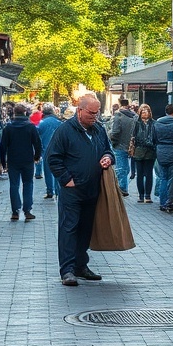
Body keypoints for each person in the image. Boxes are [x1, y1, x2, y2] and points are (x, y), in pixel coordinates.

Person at [45, 93, 114, 286]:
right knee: (69, 228)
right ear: (80, 110)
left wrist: (108, 158)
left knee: (85, 228)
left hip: (92, 188)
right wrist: (67, 179)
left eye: (97, 112)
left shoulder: (99, 129)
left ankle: (81, 266)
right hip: (72, 190)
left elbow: (108, 149)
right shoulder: (64, 131)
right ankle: (67, 270)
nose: (95, 116)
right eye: (91, 113)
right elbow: (53, 158)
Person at [0, 103, 43, 221]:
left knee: (14, 185)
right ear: (25, 113)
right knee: (28, 184)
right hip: (28, 160)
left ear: (14, 113)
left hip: (13, 160)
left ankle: (15, 211)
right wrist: (37, 156)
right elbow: (37, 143)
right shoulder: (30, 126)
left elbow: (3, 146)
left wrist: (3, 163)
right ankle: (27, 210)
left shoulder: (8, 127)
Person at [108, 95, 137, 196]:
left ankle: (122, 188)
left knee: (121, 168)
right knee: (126, 168)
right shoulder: (135, 116)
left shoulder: (118, 115)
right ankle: (123, 186)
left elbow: (115, 131)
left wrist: (112, 141)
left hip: (119, 145)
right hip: (131, 146)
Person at [131, 103, 157, 203]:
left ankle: (148, 195)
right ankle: (141, 195)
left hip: (150, 151)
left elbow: (155, 137)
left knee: (149, 173)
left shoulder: (154, 123)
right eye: (143, 111)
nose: (145, 113)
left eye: (147, 111)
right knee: (140, 174)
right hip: (139, 150)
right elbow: (133, 136)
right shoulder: (136, 123)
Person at [36, 103, 61, 199]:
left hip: (46, 150)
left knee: (48, 171)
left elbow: (37, 137)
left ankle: (50, 191)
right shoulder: (59, 122)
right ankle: (58, 191)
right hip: (58, 150)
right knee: (58, 171)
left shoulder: (42, 123)